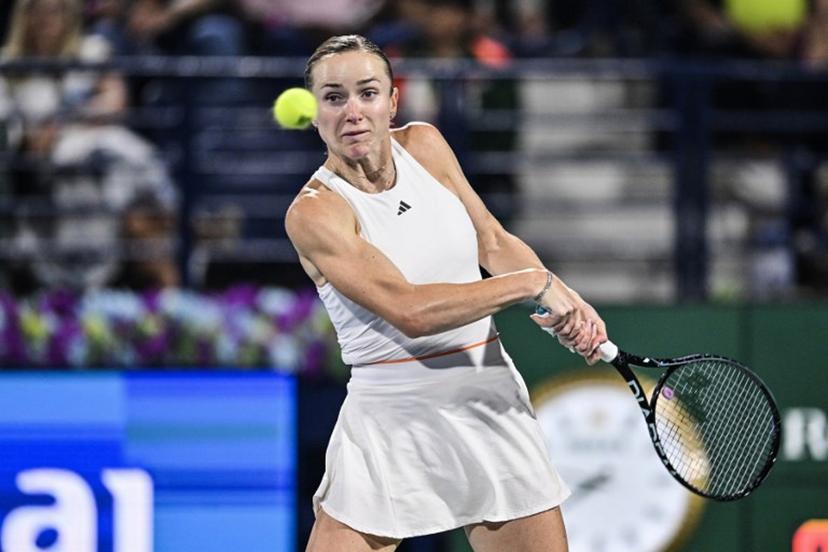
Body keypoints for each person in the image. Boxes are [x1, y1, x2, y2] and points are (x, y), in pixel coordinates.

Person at [285, 34, 607, 552]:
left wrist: (565, 298)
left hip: (486, 395)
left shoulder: (426, 146)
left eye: (367, 93)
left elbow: (493, 240)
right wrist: (533, 284)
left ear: (392, 101)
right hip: (389, 419)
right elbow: (409, 310)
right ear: (315, 113)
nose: (353, 112)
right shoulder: (315, 212)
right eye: (334, 97)